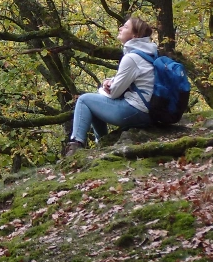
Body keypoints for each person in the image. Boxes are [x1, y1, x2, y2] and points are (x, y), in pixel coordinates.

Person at [64, 17, 157, 157]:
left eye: (125, 27)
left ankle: (75, 146)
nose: (120, 28)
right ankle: (102, 144)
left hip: (136, 111)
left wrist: (104, 88)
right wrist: (112, 81)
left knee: (84, 100)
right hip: (148, 111)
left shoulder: (132, 58)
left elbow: (114, 93)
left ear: (135, 35)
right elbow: (136, 78)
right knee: (95, 104)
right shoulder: (148, 52)